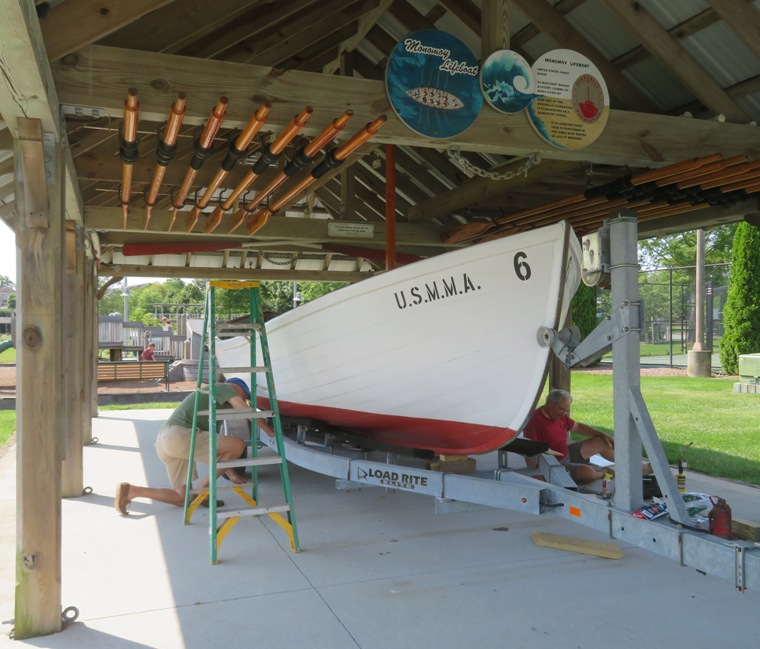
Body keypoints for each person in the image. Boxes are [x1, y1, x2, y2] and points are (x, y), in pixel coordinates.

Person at [115, 378, 252, 514]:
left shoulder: (211, 405)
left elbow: (218, 453)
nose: (245, 401)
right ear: (236, 388)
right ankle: (201, 491)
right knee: (238, 445)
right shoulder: (222, 388)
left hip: (165, 440)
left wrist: (232, 474)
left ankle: (132, 491)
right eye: (245, 396)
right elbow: (245, 414)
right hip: (179, 436)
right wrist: (268, 429)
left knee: (181, 498)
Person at [523, 388, 651, 483]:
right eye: (562, 409)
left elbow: (577, 427)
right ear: (551, 404)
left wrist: (605, 435)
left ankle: (639, 468)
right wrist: (538, 475)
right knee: (587, 473)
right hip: (554, 464)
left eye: (567, 410)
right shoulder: (535, 421)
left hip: (567, 453)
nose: (565, 413)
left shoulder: (560, 416)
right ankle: (602, 473)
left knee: (602, 441)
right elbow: (529, 452)